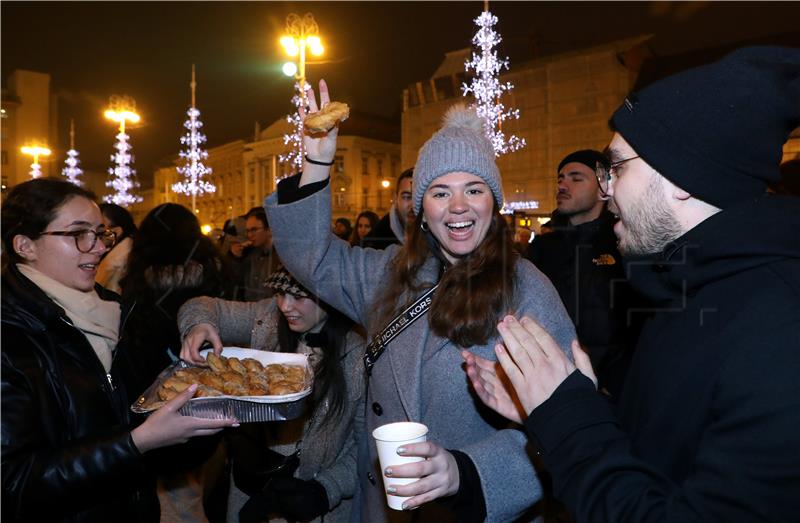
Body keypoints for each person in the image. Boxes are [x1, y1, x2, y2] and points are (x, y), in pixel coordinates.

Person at [463, 46, 800, 522]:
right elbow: (659, 454)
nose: (607, 191)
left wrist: (567, 417)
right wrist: (560, 408)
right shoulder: (687, 287)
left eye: (617, 168)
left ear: (683, 174)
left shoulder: (782, 333)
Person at [265, 80, 576, 522]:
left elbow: (568, 428)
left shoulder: (527, 289)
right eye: (440, 192)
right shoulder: (389, 273)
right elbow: (309, 257)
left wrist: (464, 472)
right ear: (421, 209)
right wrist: (317, 160)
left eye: (474, 189)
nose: (458, 207)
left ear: (495, 201)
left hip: (474, 509)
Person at [1, 178, 237, 523]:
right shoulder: (11, 335)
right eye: (79, 234)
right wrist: (136, 442)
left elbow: (147, 431)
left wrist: (198, 421)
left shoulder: (119, 312)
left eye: (101, 233)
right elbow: (13, 485)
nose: (98, 247)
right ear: (25, 245)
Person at [178, 265, 365, 523]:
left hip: (313, 502)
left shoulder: (357, 356)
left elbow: (367, 445)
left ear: (330, 296)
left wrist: (325, 489)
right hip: (251, 485)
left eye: (298, 297)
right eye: (279, 293)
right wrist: (198, 325)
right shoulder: (266, 319)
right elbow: (201, 305)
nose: (285, 306)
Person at [525, 149, 641, 397]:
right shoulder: (541, 249)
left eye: (576, 178)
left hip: (617, 392)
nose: (563, 185)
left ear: (603, 189)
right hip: (554, 389)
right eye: (560, 179)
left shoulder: (625, 246)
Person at [229, 206, 277, 301]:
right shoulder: (251, 255)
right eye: (248, 231)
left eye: (254, 230)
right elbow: (238, 284)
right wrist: (236, 258)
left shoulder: (281, 257)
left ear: (269, 230)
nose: (250, 235)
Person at [362, 168, 415, 249]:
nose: (413, 205)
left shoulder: (436, 236)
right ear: (395, 199)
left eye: (420, 197)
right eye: (406, 197)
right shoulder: (375, 243)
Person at [96, 202, 137, 294]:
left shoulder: (118, 256)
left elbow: (95, 284)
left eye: (100, 228)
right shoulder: (131, 246)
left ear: (117, 231)